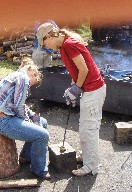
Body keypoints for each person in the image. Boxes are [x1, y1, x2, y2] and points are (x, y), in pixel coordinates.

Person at [36, 22, 106, 176]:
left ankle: (91, 166)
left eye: (44, 43)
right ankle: (88, 157)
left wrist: (76, 89)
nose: (46, 46)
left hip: (94, 90)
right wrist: (72, 88)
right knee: (85, 128)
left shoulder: (69, 44)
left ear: (49, 36)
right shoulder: (63, 46)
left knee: (89, 130)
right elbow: (76, 71)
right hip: (90, 89)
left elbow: (84, 69)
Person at [0, 61, 51, 180]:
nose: (32, 86)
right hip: (1, 120)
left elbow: (18, 103)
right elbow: (19, 105)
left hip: (0, 118)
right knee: (42, 135)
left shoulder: (17, 75)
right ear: (34, 75)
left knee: (43, 122)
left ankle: (26, 157)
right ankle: (39, 170)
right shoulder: (23, 78)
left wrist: (32, 115)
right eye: (34, 82)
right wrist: (28, 121)